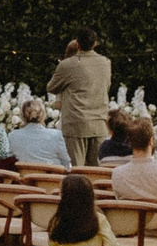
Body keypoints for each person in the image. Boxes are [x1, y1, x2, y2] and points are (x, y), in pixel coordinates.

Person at [47, 30, 112, 166]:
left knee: (76, 171)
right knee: (97, 172)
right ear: (95, 43)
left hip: (76, 123)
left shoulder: (67, 65)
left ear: (77, 43)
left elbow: (51, 87)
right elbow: (106, 86)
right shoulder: (105, 63)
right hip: (99, 123)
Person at [0, 98, 70, 166]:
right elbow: (66, 162)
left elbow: (6, 158)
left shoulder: (13, 136)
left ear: (22, 116)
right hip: (50, 176)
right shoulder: (56, 135)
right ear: (43, 115)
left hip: (25, 176)